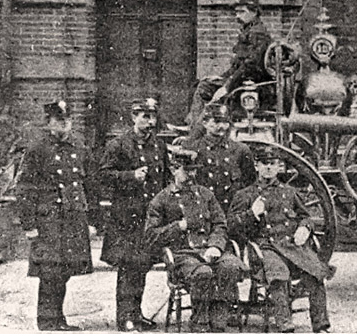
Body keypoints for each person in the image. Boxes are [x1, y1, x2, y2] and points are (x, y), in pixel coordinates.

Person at [228, 147, 333, 333]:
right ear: (256, 166)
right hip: (264, 249)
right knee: (279, 275)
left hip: (291, 247)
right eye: (264, 164)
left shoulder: (290, 192)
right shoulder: (245, 195)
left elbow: (306, 216)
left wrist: (305, 227)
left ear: (279, 167)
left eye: (272, 164)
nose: (268, 168)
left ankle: (321, 325)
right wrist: (251, 214)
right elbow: (232, 226)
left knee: (316, 273)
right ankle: (285, 325)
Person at [145, 148, 245, 332]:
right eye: (186, 170)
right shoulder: (161, 200)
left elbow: (220, 224)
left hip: (209, 249)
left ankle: (218, 323)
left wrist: (215, 246)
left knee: (230, 267)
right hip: (183, 255)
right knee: (203, 273)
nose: (191, 175)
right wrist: (178, 226)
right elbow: (151, 235)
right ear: (174, 169)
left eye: (194, 170)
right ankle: (200, 324)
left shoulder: (206, 195)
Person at [16, 101, 94, 331]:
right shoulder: (37, 150)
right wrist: (29, 224)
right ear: (48, 123)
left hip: (72, 220)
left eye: (68, 119)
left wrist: (91, 220)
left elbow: (88, 184)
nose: (65, 123)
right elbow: (24, 188)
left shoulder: (79, 148)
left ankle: (57, 318)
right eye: (59, 120)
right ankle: (48, 320)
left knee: (66, 271)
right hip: (49, 221)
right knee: (51, 271)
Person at [99, 98, 169, 331]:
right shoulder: (119, 145)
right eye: (144, 116)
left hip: (150, 219)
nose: (149, 122)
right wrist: (130, 176)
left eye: (152, 117)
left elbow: (166, 179)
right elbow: (103, 175)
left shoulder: (159, 146)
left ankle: (136, 314)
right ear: (133, 117)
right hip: (126, 218)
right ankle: (125, 318)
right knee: (128, 268)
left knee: (143, 266)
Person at [187, 0, 272, 125]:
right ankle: (197, 125)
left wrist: (227, 86)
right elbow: (238, 65)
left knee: (203, 88)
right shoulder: (249, 31)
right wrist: (221, 77)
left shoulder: (257, 34)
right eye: (236, 12)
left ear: (254, 12)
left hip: (251, 85)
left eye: (242, 12)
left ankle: (196, 129)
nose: (237, 16)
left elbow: (249, 66)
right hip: (242, 81)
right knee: (203, 83)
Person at [185, 103, 257, 212]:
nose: (222, 126)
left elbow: (250, 184)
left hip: (231, 211)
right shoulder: (193, 149)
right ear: (204, 123)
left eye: (225, 122)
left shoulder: (241, 150)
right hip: (204, 211)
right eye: (217, 122)